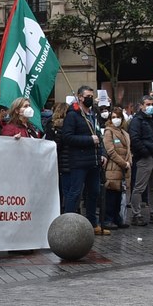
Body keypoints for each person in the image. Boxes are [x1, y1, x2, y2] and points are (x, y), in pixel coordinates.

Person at [58, 87, 106, 235]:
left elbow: (99, 135)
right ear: (80, 97)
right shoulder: (73, 116)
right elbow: (67, 137)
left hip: (94, 161)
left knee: (94, 192)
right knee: (75, 193)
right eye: (88, 96)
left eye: (92, 95)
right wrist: (88, 140)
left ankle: (92, 223)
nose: (91, 98)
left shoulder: (93, 115)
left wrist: (102, 153)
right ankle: (68, 225)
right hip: (78, 161)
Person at [127, 98, 153, 226]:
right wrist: (145, 152)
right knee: (139, 187)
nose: (150, 107)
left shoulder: (152, 120)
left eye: (152, 104)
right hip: (145, 158)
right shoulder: (137, 121)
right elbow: (135, 139)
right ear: (141, 106)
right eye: (148, 104)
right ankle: (136, 214)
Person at [102, 107, 131, 229]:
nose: (116, 120)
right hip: (113, 167)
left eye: (118, 117)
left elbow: (129, 150)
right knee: (111, 194)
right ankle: (108, 219)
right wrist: (123, 163)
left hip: (124, 168)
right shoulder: (109, 132)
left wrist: (129, 161)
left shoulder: (125, 133)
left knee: (119, 194)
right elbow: (111, 151)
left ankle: (116, 217)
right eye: (113, 117)